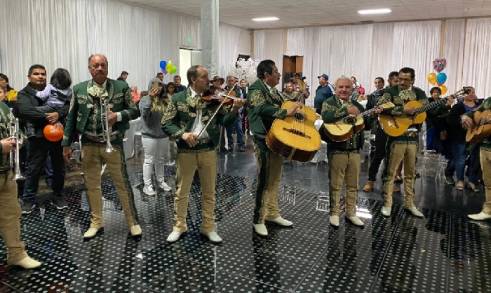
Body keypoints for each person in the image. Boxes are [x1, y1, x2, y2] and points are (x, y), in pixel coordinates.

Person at [62, 54, 141, 239]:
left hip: (112, 143)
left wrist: (118, 116)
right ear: (89, 68)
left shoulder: (121, 86)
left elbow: (135, 110)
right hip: (88, 143)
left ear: (108, 67)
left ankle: (132, 222)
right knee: (91, 185)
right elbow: (71, 118)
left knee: (122, 184)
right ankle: (96, 222)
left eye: (103, 65)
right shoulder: (79, 88)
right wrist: (66, 143)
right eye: (95, 65)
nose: (99, 68)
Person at [162, 65, 243, 243]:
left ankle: (208, 226)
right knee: (182, 191)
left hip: (208, 150)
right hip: (186, 151)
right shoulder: (178, 98)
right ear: (193, 80)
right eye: (204, 77)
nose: (209, 81)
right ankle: (179, 226)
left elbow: (225, 121)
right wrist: (182, 134)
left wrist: (235, 110)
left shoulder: (214, 99)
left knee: (209, 191)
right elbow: (166, 123)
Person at [377, 67, 447, 218]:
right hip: (396, 136)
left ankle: (410, 203)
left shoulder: (420, 93)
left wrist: (442, 104)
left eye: (406, 80)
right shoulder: (390, 91)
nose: (402, 82)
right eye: (400, 79)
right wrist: (402, 110)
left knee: (410, 173)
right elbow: (380, 108)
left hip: (413, 137)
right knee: (390, 172)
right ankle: (387, 204)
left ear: (412, 80)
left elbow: (423, 110)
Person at [247, 60, 301, 236]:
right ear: (266, 75)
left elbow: (285, 101)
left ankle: (272, 213)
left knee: (275, 178)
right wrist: (286, 112)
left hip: (277, 138)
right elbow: (262, 108)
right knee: (264, 179)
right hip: (263, 139)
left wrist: (297, 103)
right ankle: (258, 219)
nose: (279, 75)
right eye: (276, 72)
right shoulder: (256, 89)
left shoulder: (273, 91)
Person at [322, 76, 382, 227]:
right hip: (337, 150)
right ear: (335, 89)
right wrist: (345, 110)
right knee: (335, 184)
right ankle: (334, 213)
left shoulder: (358, 105)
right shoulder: (329, 103)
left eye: (347, 87)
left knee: (353, 184)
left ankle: (351, 213)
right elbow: (327, 118)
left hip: (355, 150)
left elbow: (365, 125)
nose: (343, 90)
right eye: (340, 87)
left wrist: (373, 115)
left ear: (352, 89)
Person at [16, 65, 67, 213]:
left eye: (43, 74)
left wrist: (58, 114)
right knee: (33, 168)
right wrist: (51, 114)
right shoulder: (24, 93)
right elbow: (26, 111)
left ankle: (58, 195)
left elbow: (66, 105)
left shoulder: (53, 90)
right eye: (36, 74)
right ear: (29, 76)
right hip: (36, 137)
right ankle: (28, 199)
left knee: (58, 167)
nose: (40, 77)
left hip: (56, 134)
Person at [0, 86, 41, 269]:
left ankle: (16, 254)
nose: (1, 92)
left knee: (12, 214)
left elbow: (17, 130)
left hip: (6, 171)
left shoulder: (3, 108)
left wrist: (19, 140)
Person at [363, 72, 398, 193]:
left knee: (391, 157)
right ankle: (370, 180)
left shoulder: (403, 95)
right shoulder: (381, 94)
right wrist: (372, 117)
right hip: (379, 127)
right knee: (377, 155)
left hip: (396, 128)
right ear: (389, 81)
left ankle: (387, 182)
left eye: (399, 80)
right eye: (395, 80)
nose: (398, 83)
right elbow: (371, 110)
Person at [139, 78, 172, 196]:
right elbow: (144, 114)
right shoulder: (144, 99)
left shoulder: (165, 99)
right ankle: (147, 186)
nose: (157, 88)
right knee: (149, 160)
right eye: (154, 85)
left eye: (160, 85)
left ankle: (161, 181)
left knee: (160, 160)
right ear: (150, 86)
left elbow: (169, 116)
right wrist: (150, 98)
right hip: (149, 136)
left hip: (163, 135)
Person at [462, 96, 491, 220]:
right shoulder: (489, 101)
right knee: (488, 182)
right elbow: (474, 111)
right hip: (485, 146)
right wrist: (466, 116)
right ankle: (488, 210)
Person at [445, 87, 478, 190]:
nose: (471, 94)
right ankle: (460, 180)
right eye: (468, 92)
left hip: (475, 136)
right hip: (459, 137)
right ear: (463, 94)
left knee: (474, 159)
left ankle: (472, 180)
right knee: (460, 159)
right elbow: (450, 120)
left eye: (473, 92)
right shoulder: (457, 106)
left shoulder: (479, 106)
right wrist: (461, 119)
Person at [224, 75, 245, 152]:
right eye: (229, 81)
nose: (231, 82)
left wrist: (238, 111)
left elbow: (242, 101)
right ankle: (230, 145)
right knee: (229, 131)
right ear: (226, 82)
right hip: (228, 114)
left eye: (232, 81)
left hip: (236, 113)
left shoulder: (238, 90)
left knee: (239, 130)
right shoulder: (224, 90)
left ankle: (241, 145)